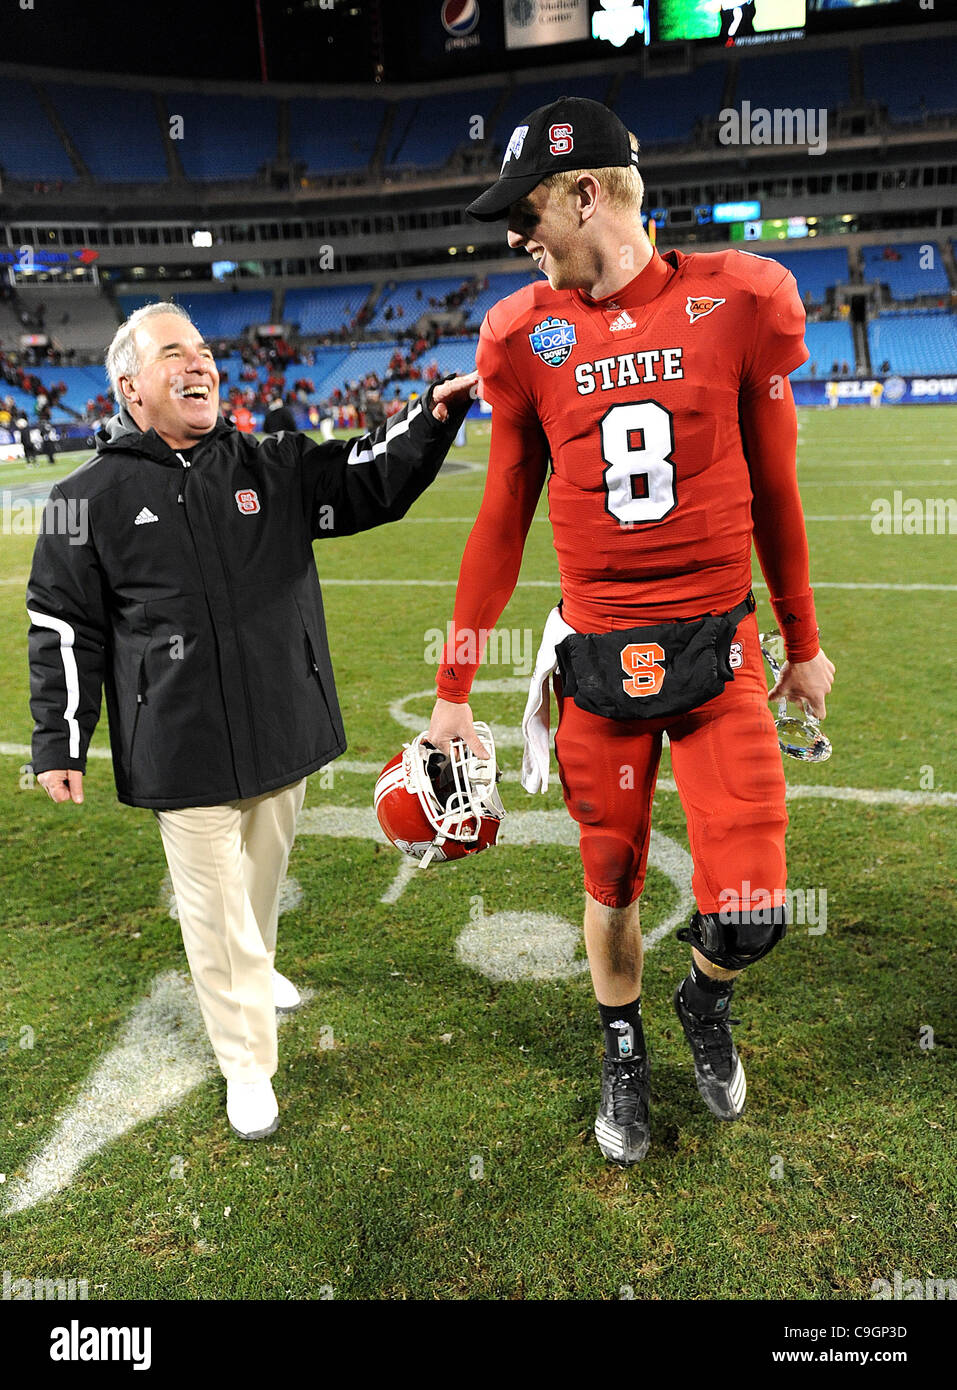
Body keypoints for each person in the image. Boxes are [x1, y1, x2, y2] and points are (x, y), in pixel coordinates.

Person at [427, 97, 834, 1165]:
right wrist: (455, 685)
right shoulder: (524, 335)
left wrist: (805, 635)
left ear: (586, 194)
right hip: (596, 661)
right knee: (607, 883)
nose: (516, 238)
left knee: (748, 908)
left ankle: (706, 999)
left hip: (719, 653)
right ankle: (623, 1046)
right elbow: (501, 517)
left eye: (527, 213)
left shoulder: (740, 301)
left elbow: (779, 487)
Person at [27, 302, 475, 1142]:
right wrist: (60, 738)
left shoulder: (270, 463)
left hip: (280, 725)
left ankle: (257, 968)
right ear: (130, 385)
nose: (199, 364)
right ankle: (246, 1065)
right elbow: (59, 624)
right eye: (174, 353)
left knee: (259, 882)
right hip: (178, 744)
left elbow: (363, 479)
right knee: (214, 910)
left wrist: (432, 418)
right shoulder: (78, 499)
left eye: (203, 349)